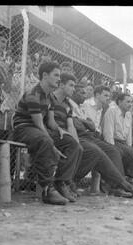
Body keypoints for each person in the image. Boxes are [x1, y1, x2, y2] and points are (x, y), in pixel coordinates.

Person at [69, 85, 133, 198]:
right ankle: (123, 186)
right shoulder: (86, 105)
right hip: (83, 136)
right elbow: (82, 125)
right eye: (105, 95)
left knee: (113, 151)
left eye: (109, 96)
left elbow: (91, 125)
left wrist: (86, 124)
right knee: (102, 151)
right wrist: (86, 123)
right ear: (97, 95)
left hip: (93, 136)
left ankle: (118, 187)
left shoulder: (100, 108)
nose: (108, 98)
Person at [12, 61, 71, 205]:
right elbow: (38, 124)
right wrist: (53, 146)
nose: (59, 78)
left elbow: (50, 122)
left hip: (36, 130)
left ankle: (61, 183)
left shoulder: (50, 96)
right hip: (23, 128)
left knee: (71, 142)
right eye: (56, 75)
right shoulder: (33, 94)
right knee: (46, 141)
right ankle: (47, 189)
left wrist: (60, 130)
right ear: (45, 75)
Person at [49, 73, 84, 203]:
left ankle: (66, 182)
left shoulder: (68, 105)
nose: (73, 89)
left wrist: (77, 142)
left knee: (78, 147)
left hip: (62, 134)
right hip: (50, 131)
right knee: (72, 145)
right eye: (71, 85)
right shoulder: (50, 98)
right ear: (61, 85)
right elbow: (48, 122)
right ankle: (60, 182)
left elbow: (70, 126)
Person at [103, 93, 133, 185]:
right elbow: (108, 132)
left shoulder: (128, 114)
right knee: (127, 152)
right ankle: (119, 182)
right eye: (127, 101)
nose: (130, 104)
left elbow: (128, 136)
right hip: (113, 141)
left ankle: (128, 178)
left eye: (131, 102)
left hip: (123, 143)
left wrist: (129, 147)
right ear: (119, 102)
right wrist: (112, 147)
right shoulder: (112, 111)